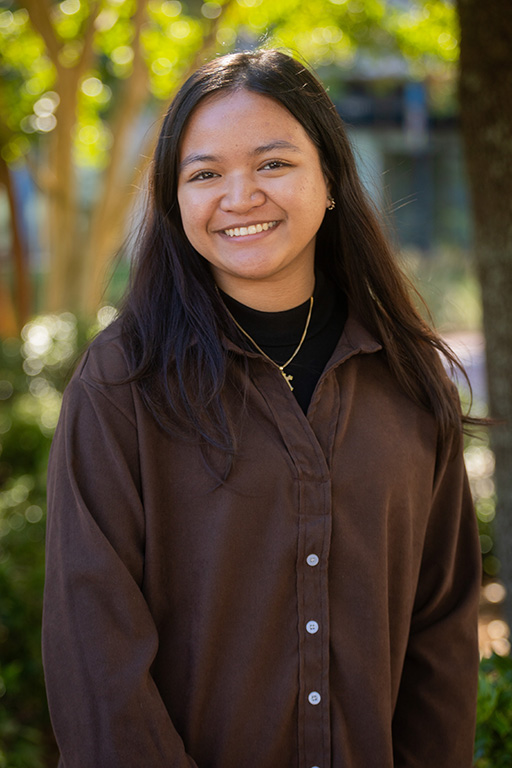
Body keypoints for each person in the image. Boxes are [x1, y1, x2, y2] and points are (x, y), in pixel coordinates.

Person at [43, 49, 481, 768]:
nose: (239, 196)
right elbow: (96, 654)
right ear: (174, 199)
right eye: (205, 174)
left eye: (273, 163)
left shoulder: (406, 380)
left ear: (332, 178)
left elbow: (442, 633)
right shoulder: (122, 384)